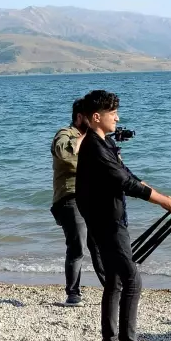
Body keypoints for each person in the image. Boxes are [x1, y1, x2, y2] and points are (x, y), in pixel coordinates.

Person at [75, 90, 171, 341]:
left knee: (116, 281)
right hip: (107, 224)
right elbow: (125, 184)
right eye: (112, 113)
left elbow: (129, 176)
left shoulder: (103, 144)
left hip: (111, 221)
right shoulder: (93, 146)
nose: (117, 117)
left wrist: (168, 199)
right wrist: (166, 204)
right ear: (96, 117)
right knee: (131, 280)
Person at [50, 98, 104, 306]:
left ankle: (112, 287)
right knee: (78, 246)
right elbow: (64, 154)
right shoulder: (65, 134)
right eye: (91, 118)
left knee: (99, 246)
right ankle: (73, 294)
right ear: (80, 117)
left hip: (92, 198)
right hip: (69, 197)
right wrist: (87, 136)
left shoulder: (95, 138)